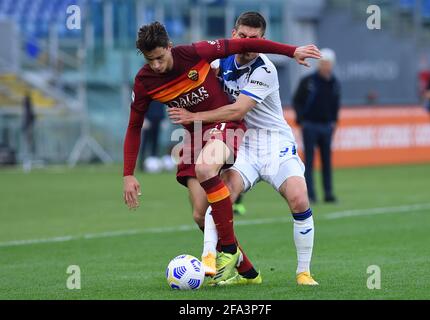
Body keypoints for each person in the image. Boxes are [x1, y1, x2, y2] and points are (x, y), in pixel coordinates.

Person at [122, 21, 321, 284]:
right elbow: (134, 125)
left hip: (234, 128)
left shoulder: (200, 53)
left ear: (170, 47)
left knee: (210, 170)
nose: (157, 65)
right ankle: (247, 271)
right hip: (197, 134)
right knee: (199, 212)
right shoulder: (148, 80)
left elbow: (238, 103)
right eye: (151, 60)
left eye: (160, 58)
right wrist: (128, 174)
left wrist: (291, 50)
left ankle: (219, 254)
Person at [293, 48, 341, 203]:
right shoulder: (308, 81)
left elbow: (335, 105)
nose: (325, 66)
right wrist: (301, 120)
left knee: (327, 162)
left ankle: (328, 193)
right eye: (323, 63)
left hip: (326, 126)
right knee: (309, 162)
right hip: (310, 125)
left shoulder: (334, 83)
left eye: (328, 63)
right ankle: (311, 194)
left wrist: (334, 122)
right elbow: (297, 100)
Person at [138, 100, 166, 172]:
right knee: (145, 143)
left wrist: (163, 119)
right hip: (148, 120)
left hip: (158, 120)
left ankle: (154, 164)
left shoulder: (161, 93)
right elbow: (141, 105)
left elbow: (162, 106)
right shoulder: (147, 91)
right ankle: (142, 164)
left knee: (155, 143)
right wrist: (143, 118)